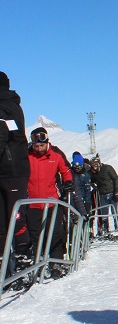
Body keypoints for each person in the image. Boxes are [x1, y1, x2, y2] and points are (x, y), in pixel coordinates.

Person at [26, 127, 74, 278]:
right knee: (35, 234)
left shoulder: (55, 154)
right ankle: (36, 263)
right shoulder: (27, 155)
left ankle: (56, 262)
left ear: (46, 142)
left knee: (55, 233)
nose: (38, 148)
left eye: (41, 145)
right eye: (36, 146)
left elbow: (66, 170)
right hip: (32, 203)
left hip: (52, 201)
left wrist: (68, 182)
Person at [0, 72, 31, 269]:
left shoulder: (7, 106)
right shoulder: (11, 104)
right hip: (7, 171)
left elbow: (2, 133)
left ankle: (22, 260)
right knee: (3, 221)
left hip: (13, 171)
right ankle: (5, 262)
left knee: (15, 217)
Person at [90, 155, 118, 237]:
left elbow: (115, 178)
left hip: (112, 193)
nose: (94, 168)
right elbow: (91, 181)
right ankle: (105, 230)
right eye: (93, 166)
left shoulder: (107, 168)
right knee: (104, 214)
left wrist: (116, 190)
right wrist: (94, 186)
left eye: (96, 166)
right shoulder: (93, 173)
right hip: (102, 195)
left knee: (114, 212)